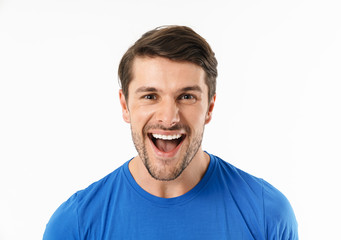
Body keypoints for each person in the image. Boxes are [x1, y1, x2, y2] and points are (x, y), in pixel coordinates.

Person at [43, 25, 298, 240]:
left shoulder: (267, 214)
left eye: (186, 96)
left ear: (209, 107)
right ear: (125, 106)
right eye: (150, 96)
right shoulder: (76, 224)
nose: (169, 118)